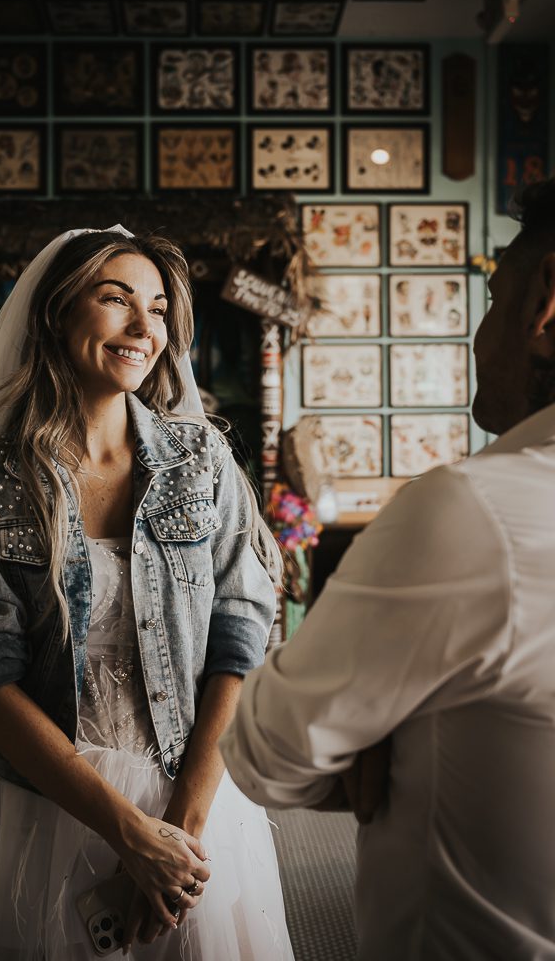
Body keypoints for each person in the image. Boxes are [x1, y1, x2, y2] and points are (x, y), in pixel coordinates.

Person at [0, 226, 294, 961]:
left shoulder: (203, 462)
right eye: (115, 299)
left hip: (189, 790)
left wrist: (177, 839)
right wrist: (127, 832)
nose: (143, 328)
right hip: (31, 800)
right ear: (57, 315)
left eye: (159, 308)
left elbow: (241, 639)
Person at [221, 178, 555, 961]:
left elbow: (266, 750)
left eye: (493, 294)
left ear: (546, 301)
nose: (477, 338)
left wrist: (388, 727)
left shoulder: (474, 513)